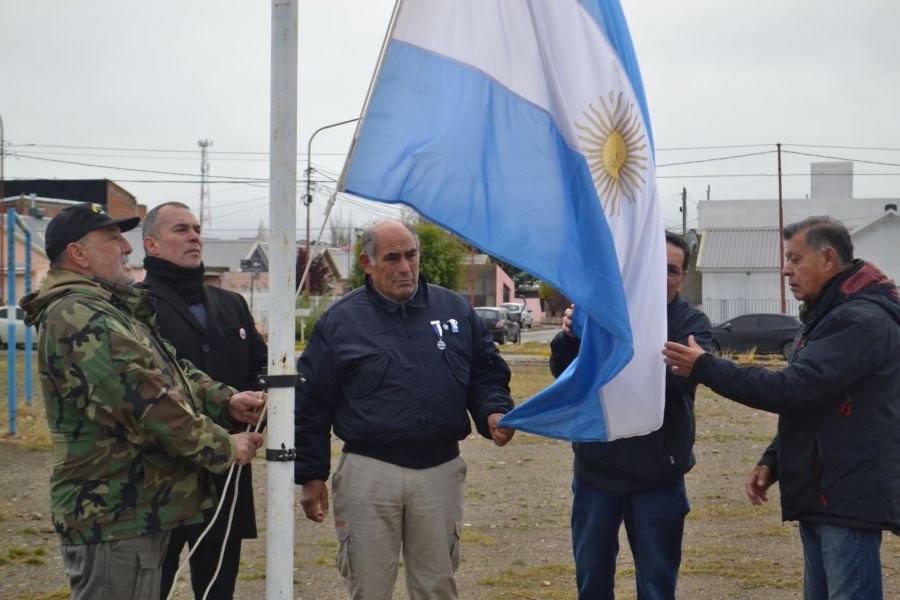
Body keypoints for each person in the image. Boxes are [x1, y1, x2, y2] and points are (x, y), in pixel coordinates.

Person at [20, 202, 265, 600]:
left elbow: (169, 369)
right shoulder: (78, 314)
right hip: (112, 515)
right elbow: (147, 406)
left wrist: (226, 401)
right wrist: (224, 445)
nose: (126, 248)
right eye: (113, 239)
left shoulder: (107, 308)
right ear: (78, 254)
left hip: (135, 510)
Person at [663, 216, 900, 600]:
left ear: (827, 259)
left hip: (847, 496)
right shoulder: (827, 314)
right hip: (826, 492)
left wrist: (706, 366)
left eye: (794, 258)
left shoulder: (860, 320)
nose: (786, 269)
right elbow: (816, 403)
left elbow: (795, 388)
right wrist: (773, 460)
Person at [294, 219, 515, 600]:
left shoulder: (454, 311)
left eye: (411, 255)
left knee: (437, 586)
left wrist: (493, 412)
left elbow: (485, 373)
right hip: (368, 474)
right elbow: (312, 403)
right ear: (367, 262)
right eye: (392, 258)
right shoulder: (340, 322)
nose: (405, 267)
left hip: (439, 473)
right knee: (369, 586)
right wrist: (311, 473)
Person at [549, 231, 711, 599]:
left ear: (682, 277)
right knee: (592, 582)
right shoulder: (603, 313)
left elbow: (683, 383)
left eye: (671, 270)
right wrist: (571, 338)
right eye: (655, 267)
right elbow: (564, 372)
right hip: (596, 473)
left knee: (656, 585)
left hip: (659, 476)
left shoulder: (692, 324)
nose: (662, 277)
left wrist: (626, 349)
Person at [141, 202, 267, 599]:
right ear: (151, 244)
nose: (194, 236)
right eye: (181, 229)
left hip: (225, 472)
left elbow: (259, 367)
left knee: (217, 586)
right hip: (159, 478)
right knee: (152, 585)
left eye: (196, 229)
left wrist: (259, 399)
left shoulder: (231, 304)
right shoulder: (133, 308)